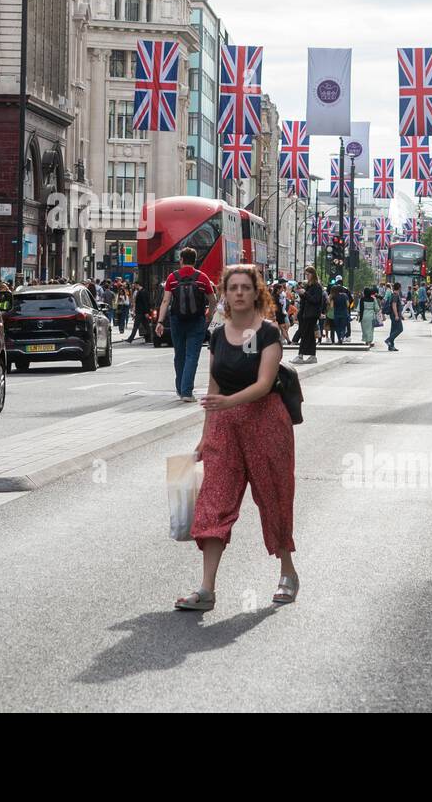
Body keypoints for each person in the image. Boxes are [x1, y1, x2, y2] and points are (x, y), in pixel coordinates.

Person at [175, 265, 297, 611]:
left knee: (273, 497)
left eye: (246, 287)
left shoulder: (268, 333)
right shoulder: (217, 335)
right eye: (233, 288)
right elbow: (214, 387)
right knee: (214, 500)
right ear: (225, 294)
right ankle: (206, 589)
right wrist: (205, 434)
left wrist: (228, 402)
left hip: (266, 423)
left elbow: (263, 383)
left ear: (256, 292)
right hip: (225, 428)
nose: (240, 293)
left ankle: (287, 571)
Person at [155, 248, 216, 402]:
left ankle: (181, 389)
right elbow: (213, 300)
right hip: (197, 321)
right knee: (192, 356)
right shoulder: (202, 278)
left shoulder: (172, 277)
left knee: (179, 355)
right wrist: (209, 314)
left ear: (181, 260)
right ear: (194, 260)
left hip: (177, 320)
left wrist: (160, 322)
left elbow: (165, 301)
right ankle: (187, 392)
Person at [294, 267, 324, 362]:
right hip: (306, 313)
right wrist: (301, 294)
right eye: (306, 274)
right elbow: (306, 300)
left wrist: (305, 294)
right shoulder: (309, 285)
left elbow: (315, 300)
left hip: (312, 314)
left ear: (313, 274)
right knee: (309, 335)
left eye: (308, 274)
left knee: (305, 334)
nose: (307, 276)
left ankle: (300, 355)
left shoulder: (317, 286)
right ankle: (312, 355)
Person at [330, 277, 351, 345]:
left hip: (336, 313)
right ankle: (342, 337)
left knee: (337, 327)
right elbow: (348, 305)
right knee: (343, 327)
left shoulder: (334, 296)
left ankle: (339, 339)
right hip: (344, 313)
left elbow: (331, 306)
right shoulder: (345, 295)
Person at [385, 282, 405, 351]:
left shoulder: (394, 294)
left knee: (393, 330)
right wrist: (397, 315)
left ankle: (391, 346)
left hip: (395, 314)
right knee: (400, 329)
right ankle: (388, 340)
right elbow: (394, 306)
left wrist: (401, 315)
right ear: (399, 288)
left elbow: (397, 306)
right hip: (394, 315)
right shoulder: (395, 295)